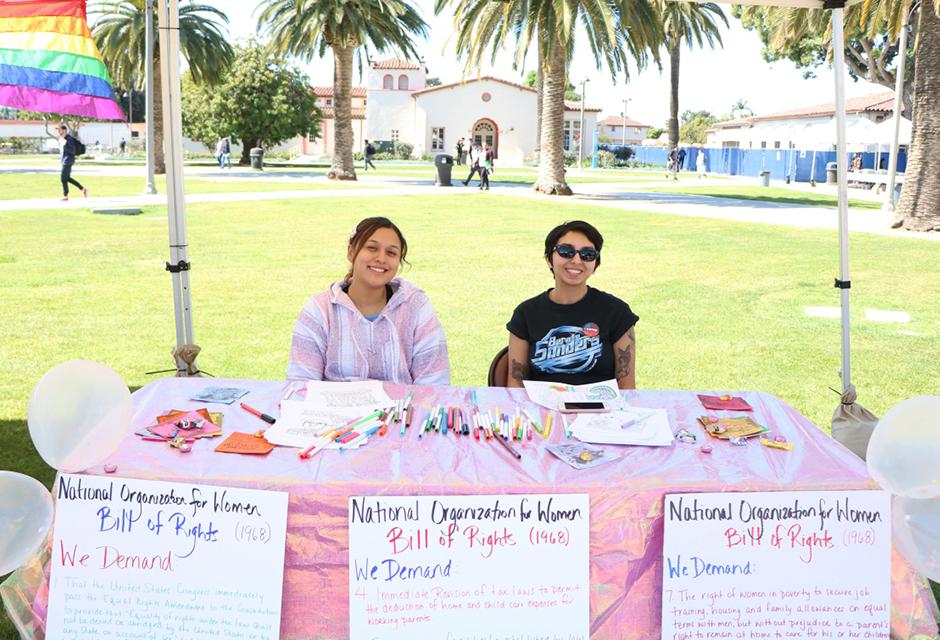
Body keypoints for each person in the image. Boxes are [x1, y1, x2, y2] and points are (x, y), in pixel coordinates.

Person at [287, 216, 450, 384]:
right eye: (372, 248)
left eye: (391, 252)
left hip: (401, 409)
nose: (381, 258)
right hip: (335, 409)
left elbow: (435, 382)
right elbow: (300, 383)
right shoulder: (319, 310)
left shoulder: (416, 306)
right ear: (351, 252)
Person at [506, 220, 638, 389]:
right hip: (544, 413)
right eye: (566, 251)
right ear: (549, 259)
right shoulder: (525, 313)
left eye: (588, 254)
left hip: (601, 413)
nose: (576, 260)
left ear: (595, 264)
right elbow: (515, 383)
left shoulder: (617, 312)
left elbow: (627, 386)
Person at [57, 125, 87, 201]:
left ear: (64, 130)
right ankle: (83, 189)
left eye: (59, 130)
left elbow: (72, 151)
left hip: (68, 161)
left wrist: (65, 144)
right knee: (67, 178)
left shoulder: (69, 139)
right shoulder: (62, 139)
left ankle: (65, 196)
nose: (58, 131)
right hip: (65, 161)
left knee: (63, 179)